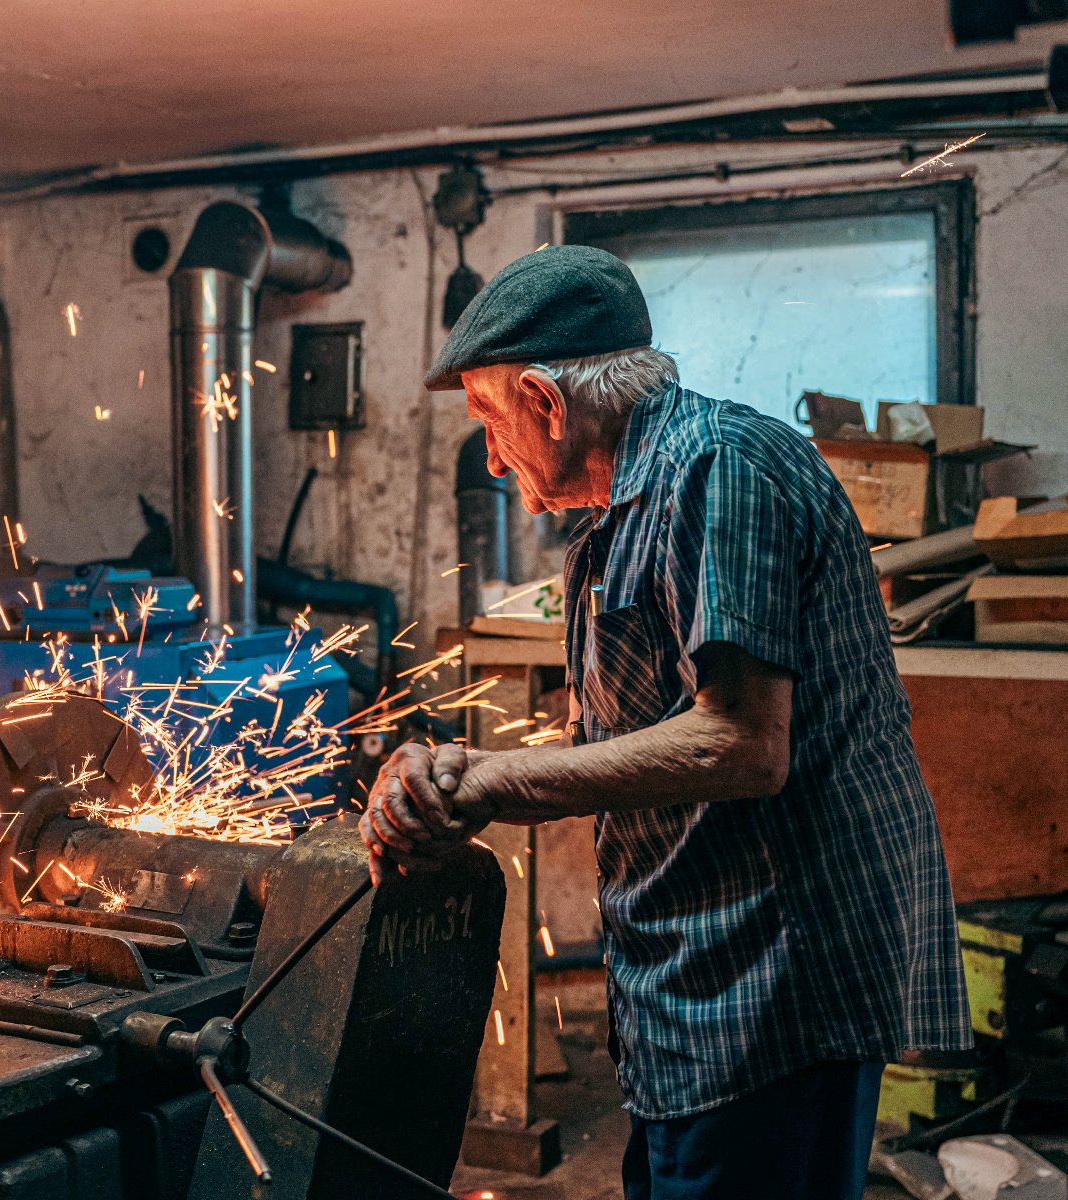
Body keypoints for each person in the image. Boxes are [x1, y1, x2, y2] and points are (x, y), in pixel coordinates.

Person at [359, 244, 971, 1200]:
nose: (490, 452)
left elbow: (740, 743)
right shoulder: (615, 515)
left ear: (547, 402)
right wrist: (453, 774)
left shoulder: (717, 471)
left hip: (777, 973)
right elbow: (635, 737)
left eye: (489, 417)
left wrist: (486, 780)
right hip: (689, 977)